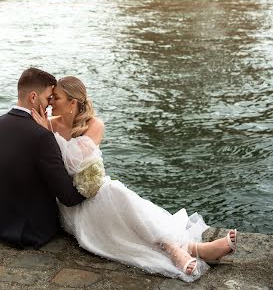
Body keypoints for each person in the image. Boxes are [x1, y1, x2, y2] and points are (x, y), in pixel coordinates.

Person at [32, 77, 237, 282]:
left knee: (117, 194)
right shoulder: (47, 126)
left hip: (95, 191)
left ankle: (184, 249)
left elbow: (76, 161)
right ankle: (191, 248)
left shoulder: (94, 125)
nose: (49, 102)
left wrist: (46, 135)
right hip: (71, 202)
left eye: (55, 98)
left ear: (72, 102)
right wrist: (44, 132)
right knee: (119, 203)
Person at [0, 67, 85, 248]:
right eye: (48, 98)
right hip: (29, 231)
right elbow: (68, 197)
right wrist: (92, 188)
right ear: (33, 97)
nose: (50, 104)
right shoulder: (42, 136)